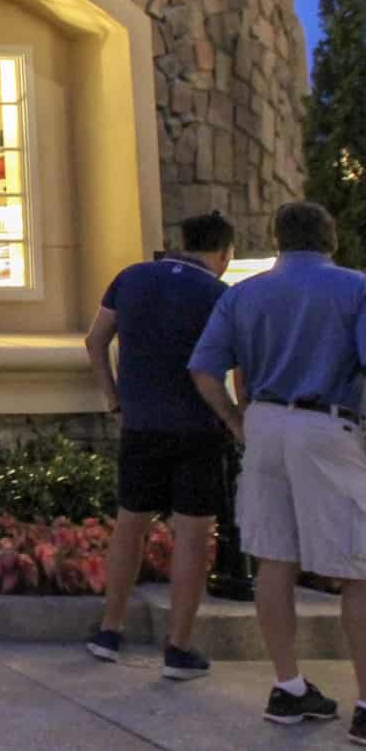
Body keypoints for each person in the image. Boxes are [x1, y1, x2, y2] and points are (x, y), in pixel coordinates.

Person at [190, 201, 366, 733]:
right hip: (326, 425)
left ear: (278, 240)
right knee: (358, 569)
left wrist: (235, 420)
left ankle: (289, 687)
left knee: (274, 560)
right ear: (331, 238)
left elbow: (204, 369)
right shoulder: (356, 288)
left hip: (264, 424)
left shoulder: (242, 294)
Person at [81, 210, 237, 679]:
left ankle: (109, 630)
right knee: (193, 535)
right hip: (198, 427)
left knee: (130, 524)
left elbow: (95, 340)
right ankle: (178, 647)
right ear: (224, 253)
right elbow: (228, 366)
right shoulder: (218, 296)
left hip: (141, 423)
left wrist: (113, 397)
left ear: (181, 240)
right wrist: (235, 419)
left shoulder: (130, 278)